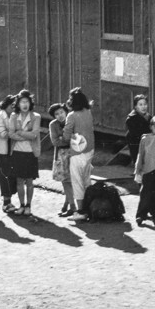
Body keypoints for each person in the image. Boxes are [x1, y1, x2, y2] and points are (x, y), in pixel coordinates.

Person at [6, 90, 41, 217]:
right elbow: (10, 134)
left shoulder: (36, 116)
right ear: (18, 104)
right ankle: (21, 205)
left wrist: (20, 132)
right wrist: (26, 135)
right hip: (17, 152)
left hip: (30, 152)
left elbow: (35, 134)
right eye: (22, 102)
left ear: (30, 103)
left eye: (27, 101)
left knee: (30, 181)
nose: (25, 104)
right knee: (19, 181)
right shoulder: (14, 116)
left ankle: (28, 206)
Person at [65, 88, 96, 221]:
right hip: (89, 150)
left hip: (77, 152)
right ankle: (90, 208)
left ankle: (80, 211)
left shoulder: (71, 116)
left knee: (77, 181)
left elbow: (66, 136)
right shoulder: (88, 112)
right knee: (86, 180)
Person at [133, 114, 155, 227]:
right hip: (148, 169)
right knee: (145, 193)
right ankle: (141, 215)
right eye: (154, 126)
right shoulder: (145, 138)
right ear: (151, 127)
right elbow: (140, 155)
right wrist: (138, 170)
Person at [47, 102, 75, 218]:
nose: (60, 115)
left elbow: (77, 138)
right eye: (56, 114)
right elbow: (55, 141)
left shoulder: (71, 121)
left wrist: (63, 138)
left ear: (66, 112)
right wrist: (67, 138)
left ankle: (71, 205)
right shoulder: (53, 125)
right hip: (61, 154)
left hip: (73, 153)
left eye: (62, 112)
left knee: (71, 181)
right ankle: (69, 204)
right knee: (65, 181)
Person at [0, 94, 18, 213]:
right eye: (12, 105)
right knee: (5, 176)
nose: (13, 107)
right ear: (6, 104)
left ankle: (10, 200)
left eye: (15, 105)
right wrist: (16, 133)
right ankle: (6, 203)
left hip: (12, 151)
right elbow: (2, 134)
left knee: (12, 175)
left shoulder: (15, 116)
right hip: (2, 151)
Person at [125, 94, 151, 163]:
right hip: (136, 144)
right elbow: (136, 134)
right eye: (140, 104)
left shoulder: (148, 116)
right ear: (136, 106)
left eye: (145, 104)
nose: (143, 107)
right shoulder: (131, 119)